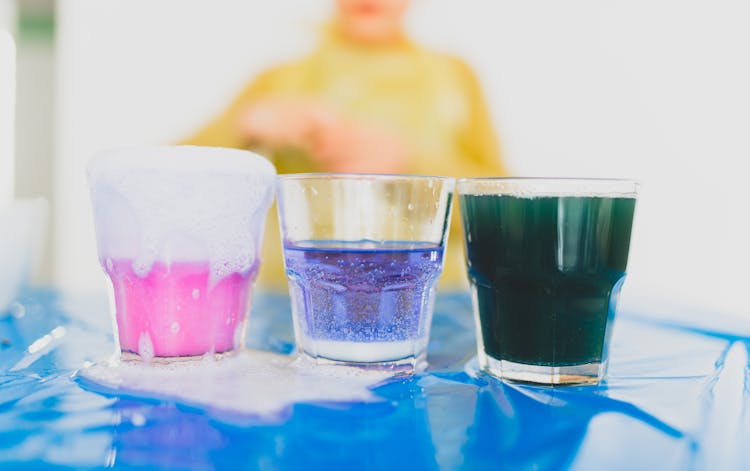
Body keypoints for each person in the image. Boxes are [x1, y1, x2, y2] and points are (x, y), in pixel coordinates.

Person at [183, 0, 507, 289]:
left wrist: (410, 164)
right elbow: (169, 179)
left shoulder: (456, 78)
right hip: (295, 309)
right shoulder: (277, 80)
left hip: (428, 311)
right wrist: (245, 123)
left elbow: (503, 214)